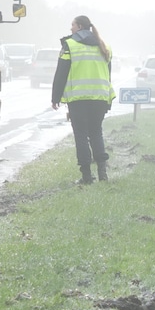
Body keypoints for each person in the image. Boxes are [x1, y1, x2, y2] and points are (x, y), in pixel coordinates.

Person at [51, 15, 115, 184]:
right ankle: (103, 173)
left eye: (72, 25)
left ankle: (86, 176)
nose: (70, 28)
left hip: (78, 98)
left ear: (79, 26)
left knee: (81, 134)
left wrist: (55, 97)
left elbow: (61, 73)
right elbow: (108, 74)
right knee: (96, 132)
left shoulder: (70, 45)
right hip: (100, 97)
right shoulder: (104, 46)